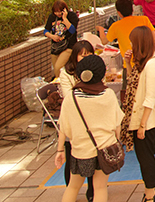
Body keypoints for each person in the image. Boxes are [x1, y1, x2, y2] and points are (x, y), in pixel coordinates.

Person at [55, 55, 123, 202]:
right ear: (101, 74)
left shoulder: (71, 97)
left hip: (81, 150)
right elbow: (117, 125)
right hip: (104, 148)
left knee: (73, 186)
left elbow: (63, 127)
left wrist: (60, 150)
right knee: (100, 188)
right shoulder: (108, 95)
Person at [120, 26, 155, 202]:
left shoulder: (153, 64)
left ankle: (150, 194)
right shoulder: (144, 62)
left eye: (133, 42)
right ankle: (150, 192)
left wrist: (142, 125)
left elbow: (150, 97)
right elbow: (133, 84)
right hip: (138, 118)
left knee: (146, 158)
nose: (131, 45)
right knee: (143, 157)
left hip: (146, 121)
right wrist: (128, 64)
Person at [58, 40, 96, 201]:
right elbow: (68, 96)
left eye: (88, 54)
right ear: (75, 56)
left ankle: (92, 192)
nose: (85, 57)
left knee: (93, 158)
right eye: (82, 55)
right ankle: (70, 191)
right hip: (74, 120)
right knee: (72, 158)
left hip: (92, 121)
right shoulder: (66, 72)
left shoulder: (95, 70)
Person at [45, 0, 79, 78]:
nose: (58, 14)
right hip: (56, 47)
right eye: (56, 12)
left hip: (68, 46)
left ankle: (62, 85)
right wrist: (52, 36)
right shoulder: (52, 17)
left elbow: (72, 30)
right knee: (56, 70)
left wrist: (65, 18)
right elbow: (45, 31)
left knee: (58, 67)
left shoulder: (72, 16)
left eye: (60, 11)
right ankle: (59, 85)